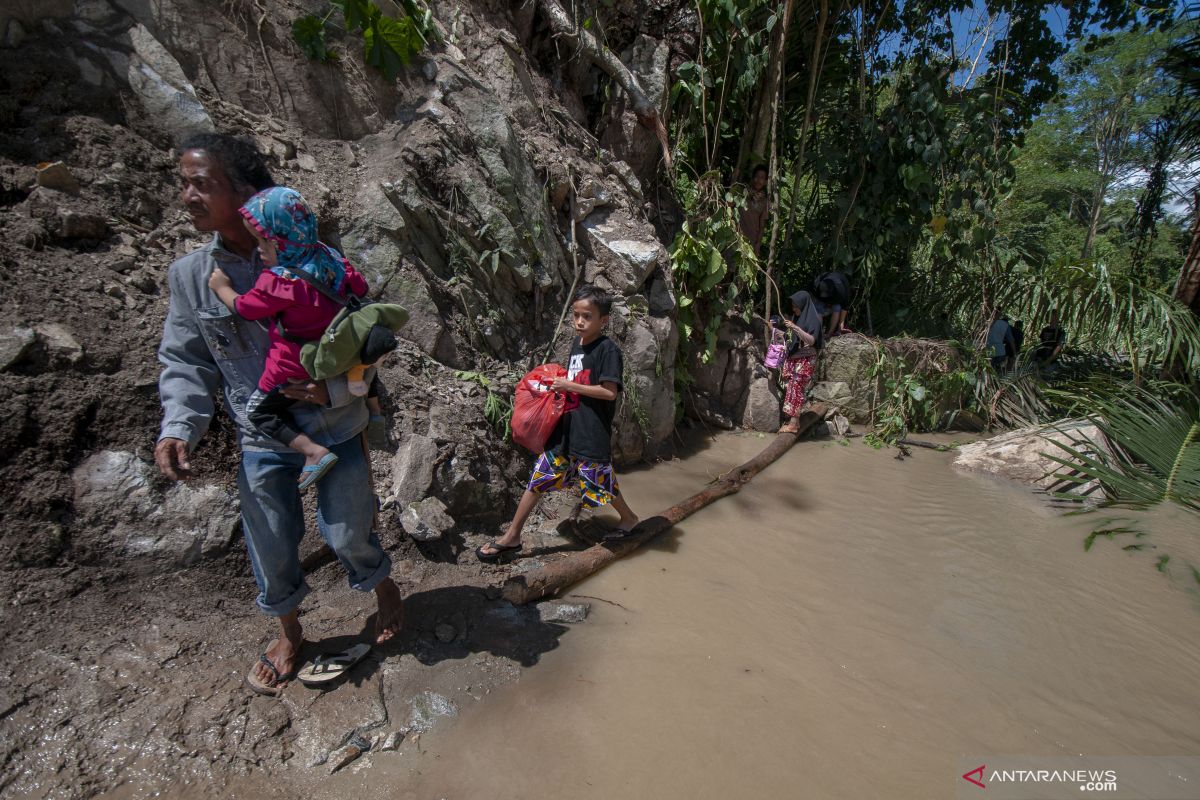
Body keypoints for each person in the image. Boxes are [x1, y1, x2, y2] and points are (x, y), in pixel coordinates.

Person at [156, 133, 402, 697]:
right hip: (261, 431)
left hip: (336, 424)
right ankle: (290, 631)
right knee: (270, 540)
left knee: (348, 529)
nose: (187, 196)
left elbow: (374, 339)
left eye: (201, 184)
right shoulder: (192, 277)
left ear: (245, 192)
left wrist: (335, 384)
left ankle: (382, 585)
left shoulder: (318, 263)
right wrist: (179, 423)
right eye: (184, 183)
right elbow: (184, 360)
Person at [208, 186, 374, 492]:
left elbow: (246, 308)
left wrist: (221, 288)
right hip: (338, 352)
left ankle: (312, 452)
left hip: (292, 366)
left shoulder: (281, 282)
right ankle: (373, 410)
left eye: (264, 242)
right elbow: (360, 289)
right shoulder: (330, 257)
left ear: (281, 241)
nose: (260, 250)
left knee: (258, 411)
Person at [476, 284, 639, 561]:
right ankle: (512, 536)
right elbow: (573, 384)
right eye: (575, 315)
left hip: (591, 432)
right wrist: (558, 387)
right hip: (567, 429)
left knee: (599, 480)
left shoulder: (607, 350)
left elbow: (609, 392)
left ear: (604, 320)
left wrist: (570, 386)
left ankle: (629, 518)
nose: (579, 321)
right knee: (539, 477)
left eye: (587, 316)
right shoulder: (578, 345)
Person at [775, 290, 824, 434]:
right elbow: (793, 339)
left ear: (803, 305)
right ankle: (792, 420)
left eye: (796, 306)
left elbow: (811, 340)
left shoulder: (813, 319)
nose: (793, 309)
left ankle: (794, 424)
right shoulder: (799, 318)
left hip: (806, 361)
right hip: (797, 359)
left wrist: (795, 328)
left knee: (796, 388)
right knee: (792, 387)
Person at [739, 164, 770, 257]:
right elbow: (729, 204)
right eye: (756, 176)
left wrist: (758, 244)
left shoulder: (764, 201)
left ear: (765, 182)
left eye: (762, 178)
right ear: (752, 178)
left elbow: (762, 225)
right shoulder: (743, 192)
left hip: (751, 240)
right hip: (736, 236)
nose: (758, 180)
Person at [813, 270, 852, 337]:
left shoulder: (840, 290)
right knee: (818, 308)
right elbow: (813, 297)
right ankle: (817, 334)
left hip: (836, 297)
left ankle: (829, 333)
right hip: (820, 297)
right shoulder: (817, 284)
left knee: (837, 308)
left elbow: (845, 305)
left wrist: (841, 323)